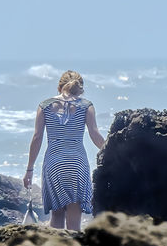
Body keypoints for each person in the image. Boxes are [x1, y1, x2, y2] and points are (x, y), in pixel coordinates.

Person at [23, 70, 105, 231]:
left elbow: (37, 137)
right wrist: (111, 153)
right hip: (77, 164)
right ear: (80, 89)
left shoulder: (45, 105)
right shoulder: (86, 106)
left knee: (56, 217)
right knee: (74, 223)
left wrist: (29, 169)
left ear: (59, 87)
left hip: (54, 164)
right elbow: (95, 134)